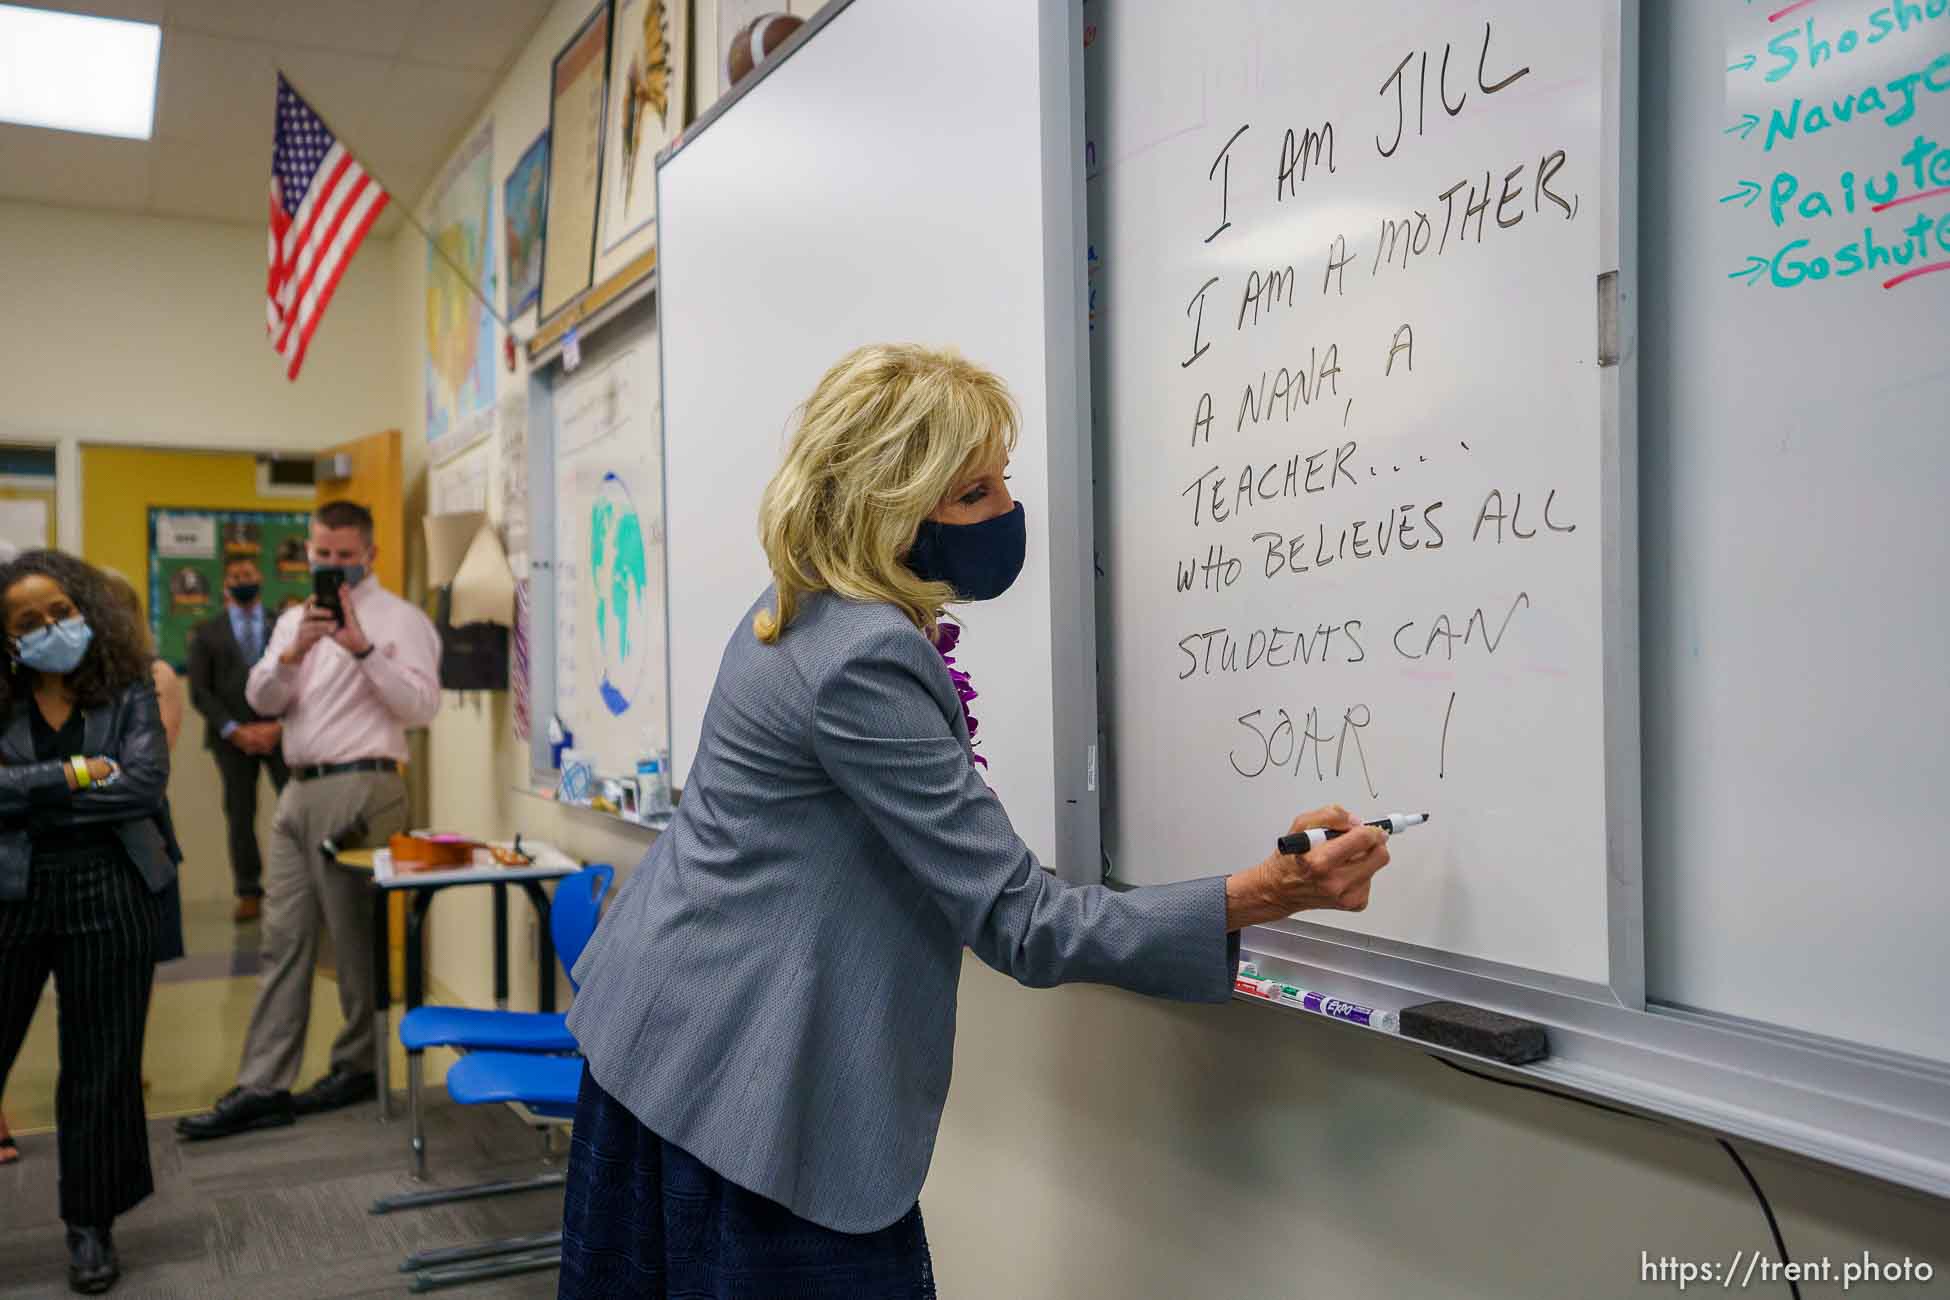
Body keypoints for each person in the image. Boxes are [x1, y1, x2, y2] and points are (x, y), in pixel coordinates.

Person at [558, 345, 1394, 1296]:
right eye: (972, 494)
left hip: (667, 1034)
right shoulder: (862, 659)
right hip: (741, 1081)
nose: (1005, 514)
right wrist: (1269, 891)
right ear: (888, 508)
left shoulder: (800, 605)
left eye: (1001, 483)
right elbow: (1022, 922)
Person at [177, 501, 439, 1141]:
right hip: (296, 791)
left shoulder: (399, 619)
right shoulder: (294, 618)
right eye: (322, 555)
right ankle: (263, 1084)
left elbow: (422, 706)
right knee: (281, 939)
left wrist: (362, 650)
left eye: (344, 556)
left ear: (369, 555)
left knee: (354, 944)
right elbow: (260, 699)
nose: (331, 567)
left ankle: (357, 1067)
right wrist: (295, 650)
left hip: (364, 786)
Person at [0, 550, 178, 1294]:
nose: (50, 627)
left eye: (61, 612)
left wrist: (27, 793)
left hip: (113, 891)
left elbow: (141, 784)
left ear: (86, 612)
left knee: (101, 1070)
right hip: (11, 892)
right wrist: (77, 772)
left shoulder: (130, 684)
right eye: (28, 621)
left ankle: (90, 1227)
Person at [186, 556, 288, 922]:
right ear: (225, 583)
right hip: (231, 740)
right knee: (241, 815)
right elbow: (200, 691)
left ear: (260, 578)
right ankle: (249, 891)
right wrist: (235, 730)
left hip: (282, 734)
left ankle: (301, 886)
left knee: (295, 810)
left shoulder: (283, 626)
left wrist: (280, 726)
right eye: (235, 575)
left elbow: (301, 678)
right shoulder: (207, 633)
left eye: (248, 573)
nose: (243, 579)